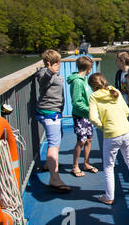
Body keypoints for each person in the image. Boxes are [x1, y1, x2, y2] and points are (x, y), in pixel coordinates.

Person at [88, 73, 129, 205]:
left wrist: (103, 127)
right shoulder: (114, 90)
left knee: (109, 166)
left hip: (112, 135)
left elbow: (93, 118)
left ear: (93, 87)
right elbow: (127, 111)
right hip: (126, 131)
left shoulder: (94, 97)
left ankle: (109, 196)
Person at [35, 49, 70, 193]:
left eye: (59, 63)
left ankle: (48, 165)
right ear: (49, 63)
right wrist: (50, 70)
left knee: (57, 139)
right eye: (56, 63)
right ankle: (54, 179)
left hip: (53, 112)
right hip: (49, 113)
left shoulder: (52, 72)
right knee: (53, 145)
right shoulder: (44, 73)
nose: (59, 65)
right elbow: (43, 81)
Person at [66, 56, 98, 177]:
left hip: (87, 115)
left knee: (89, 139)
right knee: (81, 141)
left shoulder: (84, 79)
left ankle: (86, 163)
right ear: (89, 68)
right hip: (80, 115)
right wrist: (90, 110)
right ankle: (75, 166)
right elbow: (76, 102)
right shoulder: (78, 82)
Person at [114, 52, 129, 155]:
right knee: (127, 126)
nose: (115, 62)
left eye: (117, 60)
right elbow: (117, 87)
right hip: (122, 104)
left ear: (122, 61)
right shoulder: (118, 73)